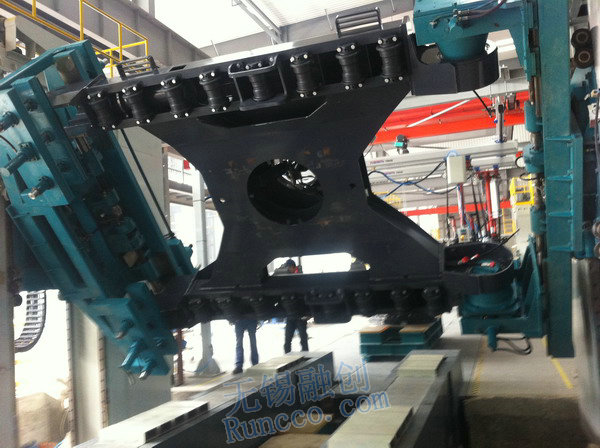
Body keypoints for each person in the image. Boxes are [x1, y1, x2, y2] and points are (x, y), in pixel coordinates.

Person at [274, 259, 309, 353]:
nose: (288, 269)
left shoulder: (299, 278)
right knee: (287, 341)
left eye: (289, 267)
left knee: (303, 340)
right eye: (287, 268)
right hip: (290, 316)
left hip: (300, 316)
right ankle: (288, 357)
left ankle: (306, 356)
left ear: (294, 267)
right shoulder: (285, 280)